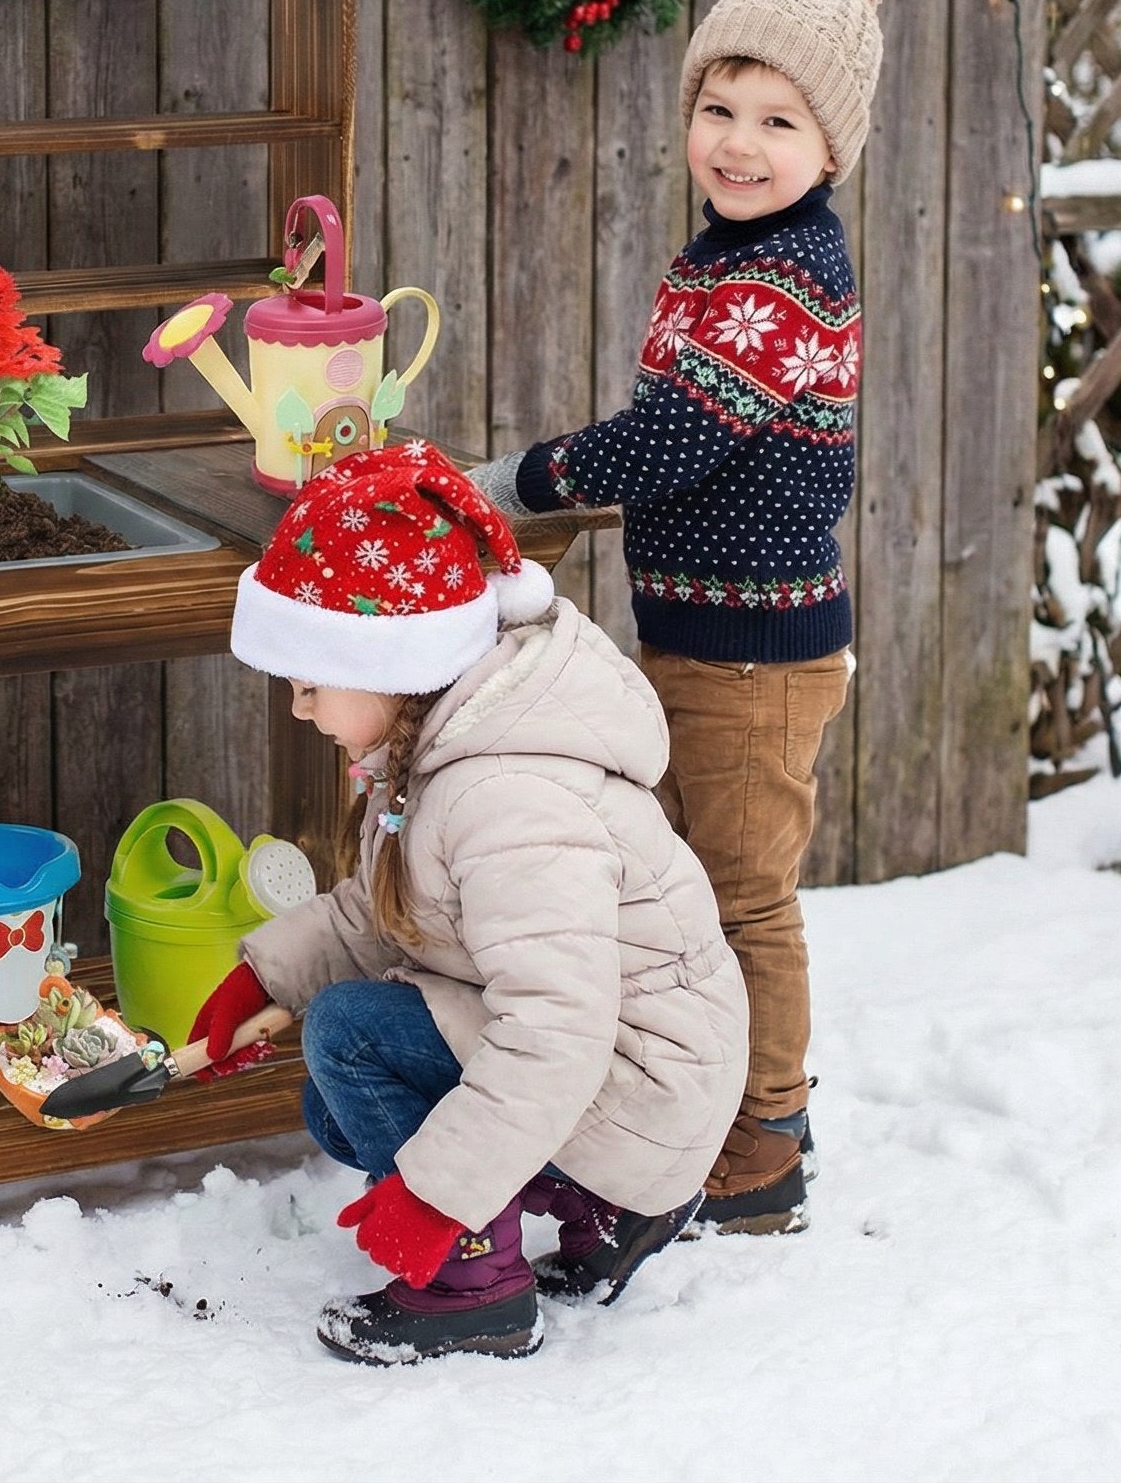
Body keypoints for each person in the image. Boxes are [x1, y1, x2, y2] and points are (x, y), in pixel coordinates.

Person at [471, 0, 881, 1234]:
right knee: (700, 878)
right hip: (708, 638)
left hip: (756, 661)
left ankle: (763, 1145)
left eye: (778, 120)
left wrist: (523, 479)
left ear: (831, 151)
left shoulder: (786, 274)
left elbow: (674, 436)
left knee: (743, 892)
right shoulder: (723, 255)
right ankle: (724, 1102)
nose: (738, 141)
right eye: (718, 106)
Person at [192, 443, 747, 1364]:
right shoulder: (441, 745)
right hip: (617, 1065)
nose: (298, 710)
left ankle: (471, 1287)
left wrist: (437, 1195)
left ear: (387, 666)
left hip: (642, 1078)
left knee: (352, 1037)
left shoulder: (507, 799)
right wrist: (264, 981)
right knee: (338, 1102)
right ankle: (594, 1206)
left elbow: (556, 1027)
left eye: (308, 684)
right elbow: (390, 911)